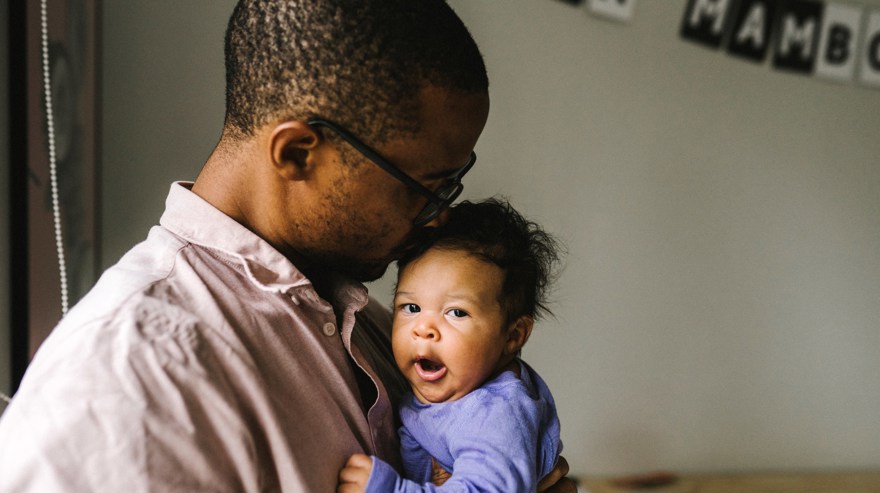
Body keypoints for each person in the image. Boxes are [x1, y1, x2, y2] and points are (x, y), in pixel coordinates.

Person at [0, 1, 575, 492]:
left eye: (453, 184)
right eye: (424, 188)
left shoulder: (369, 322)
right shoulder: (128, 384)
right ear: (299, 152)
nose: (439, 216)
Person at [337, 198, 563, 493]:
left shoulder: (494, 413)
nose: (424, 329)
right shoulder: (454, 396)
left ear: (513, 336)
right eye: (411, 307)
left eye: (456, 312)